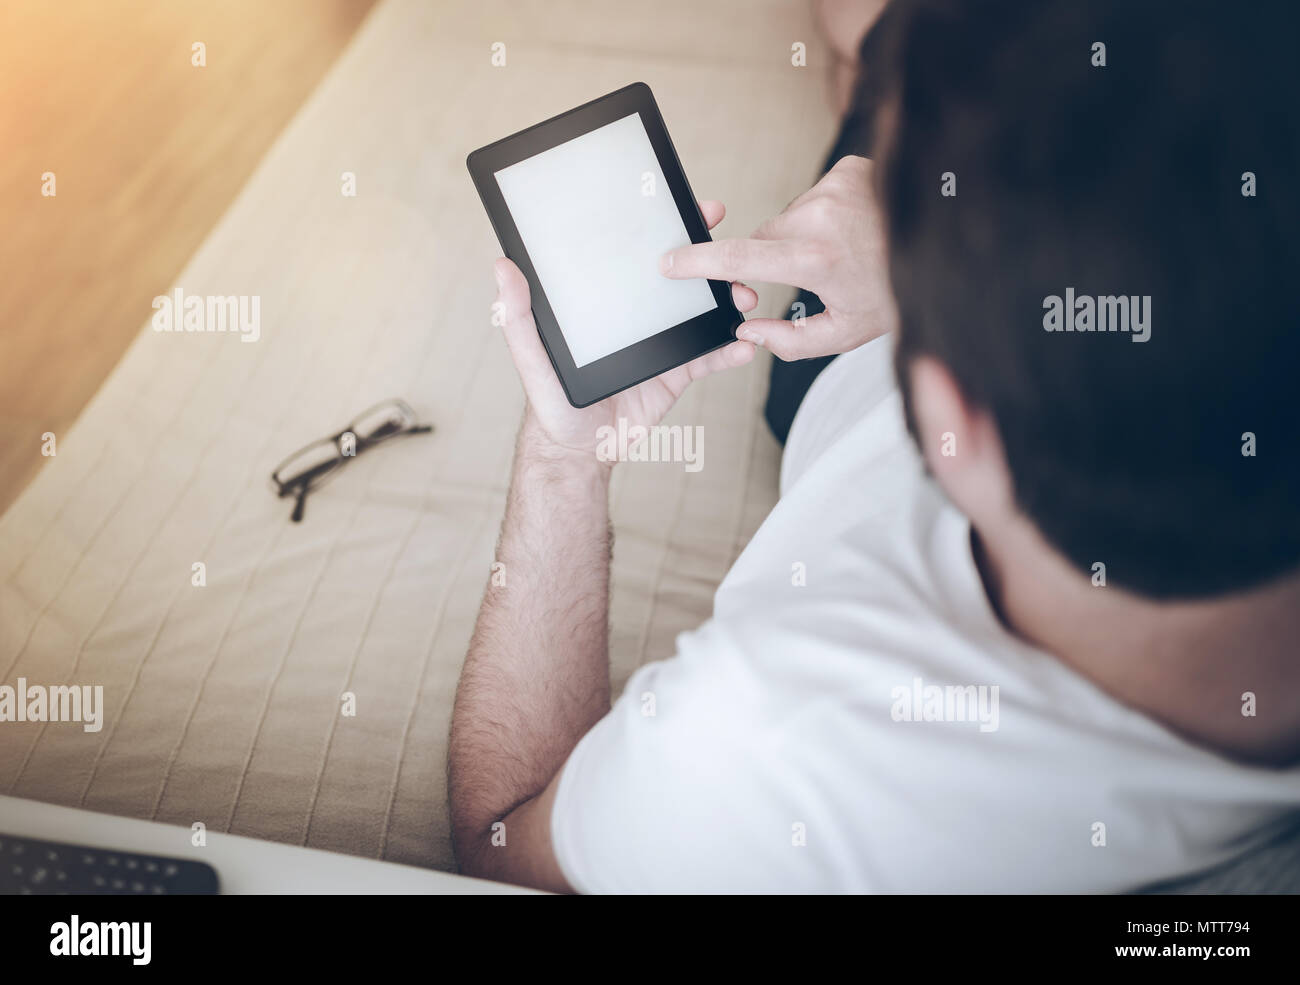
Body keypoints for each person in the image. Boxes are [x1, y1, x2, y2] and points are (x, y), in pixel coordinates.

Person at [447, 0, 1300, 892]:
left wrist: (564, 458)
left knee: (872, 32)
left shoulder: (756, 748)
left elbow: (501, 845)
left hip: (824, 358)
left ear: (946, 423)